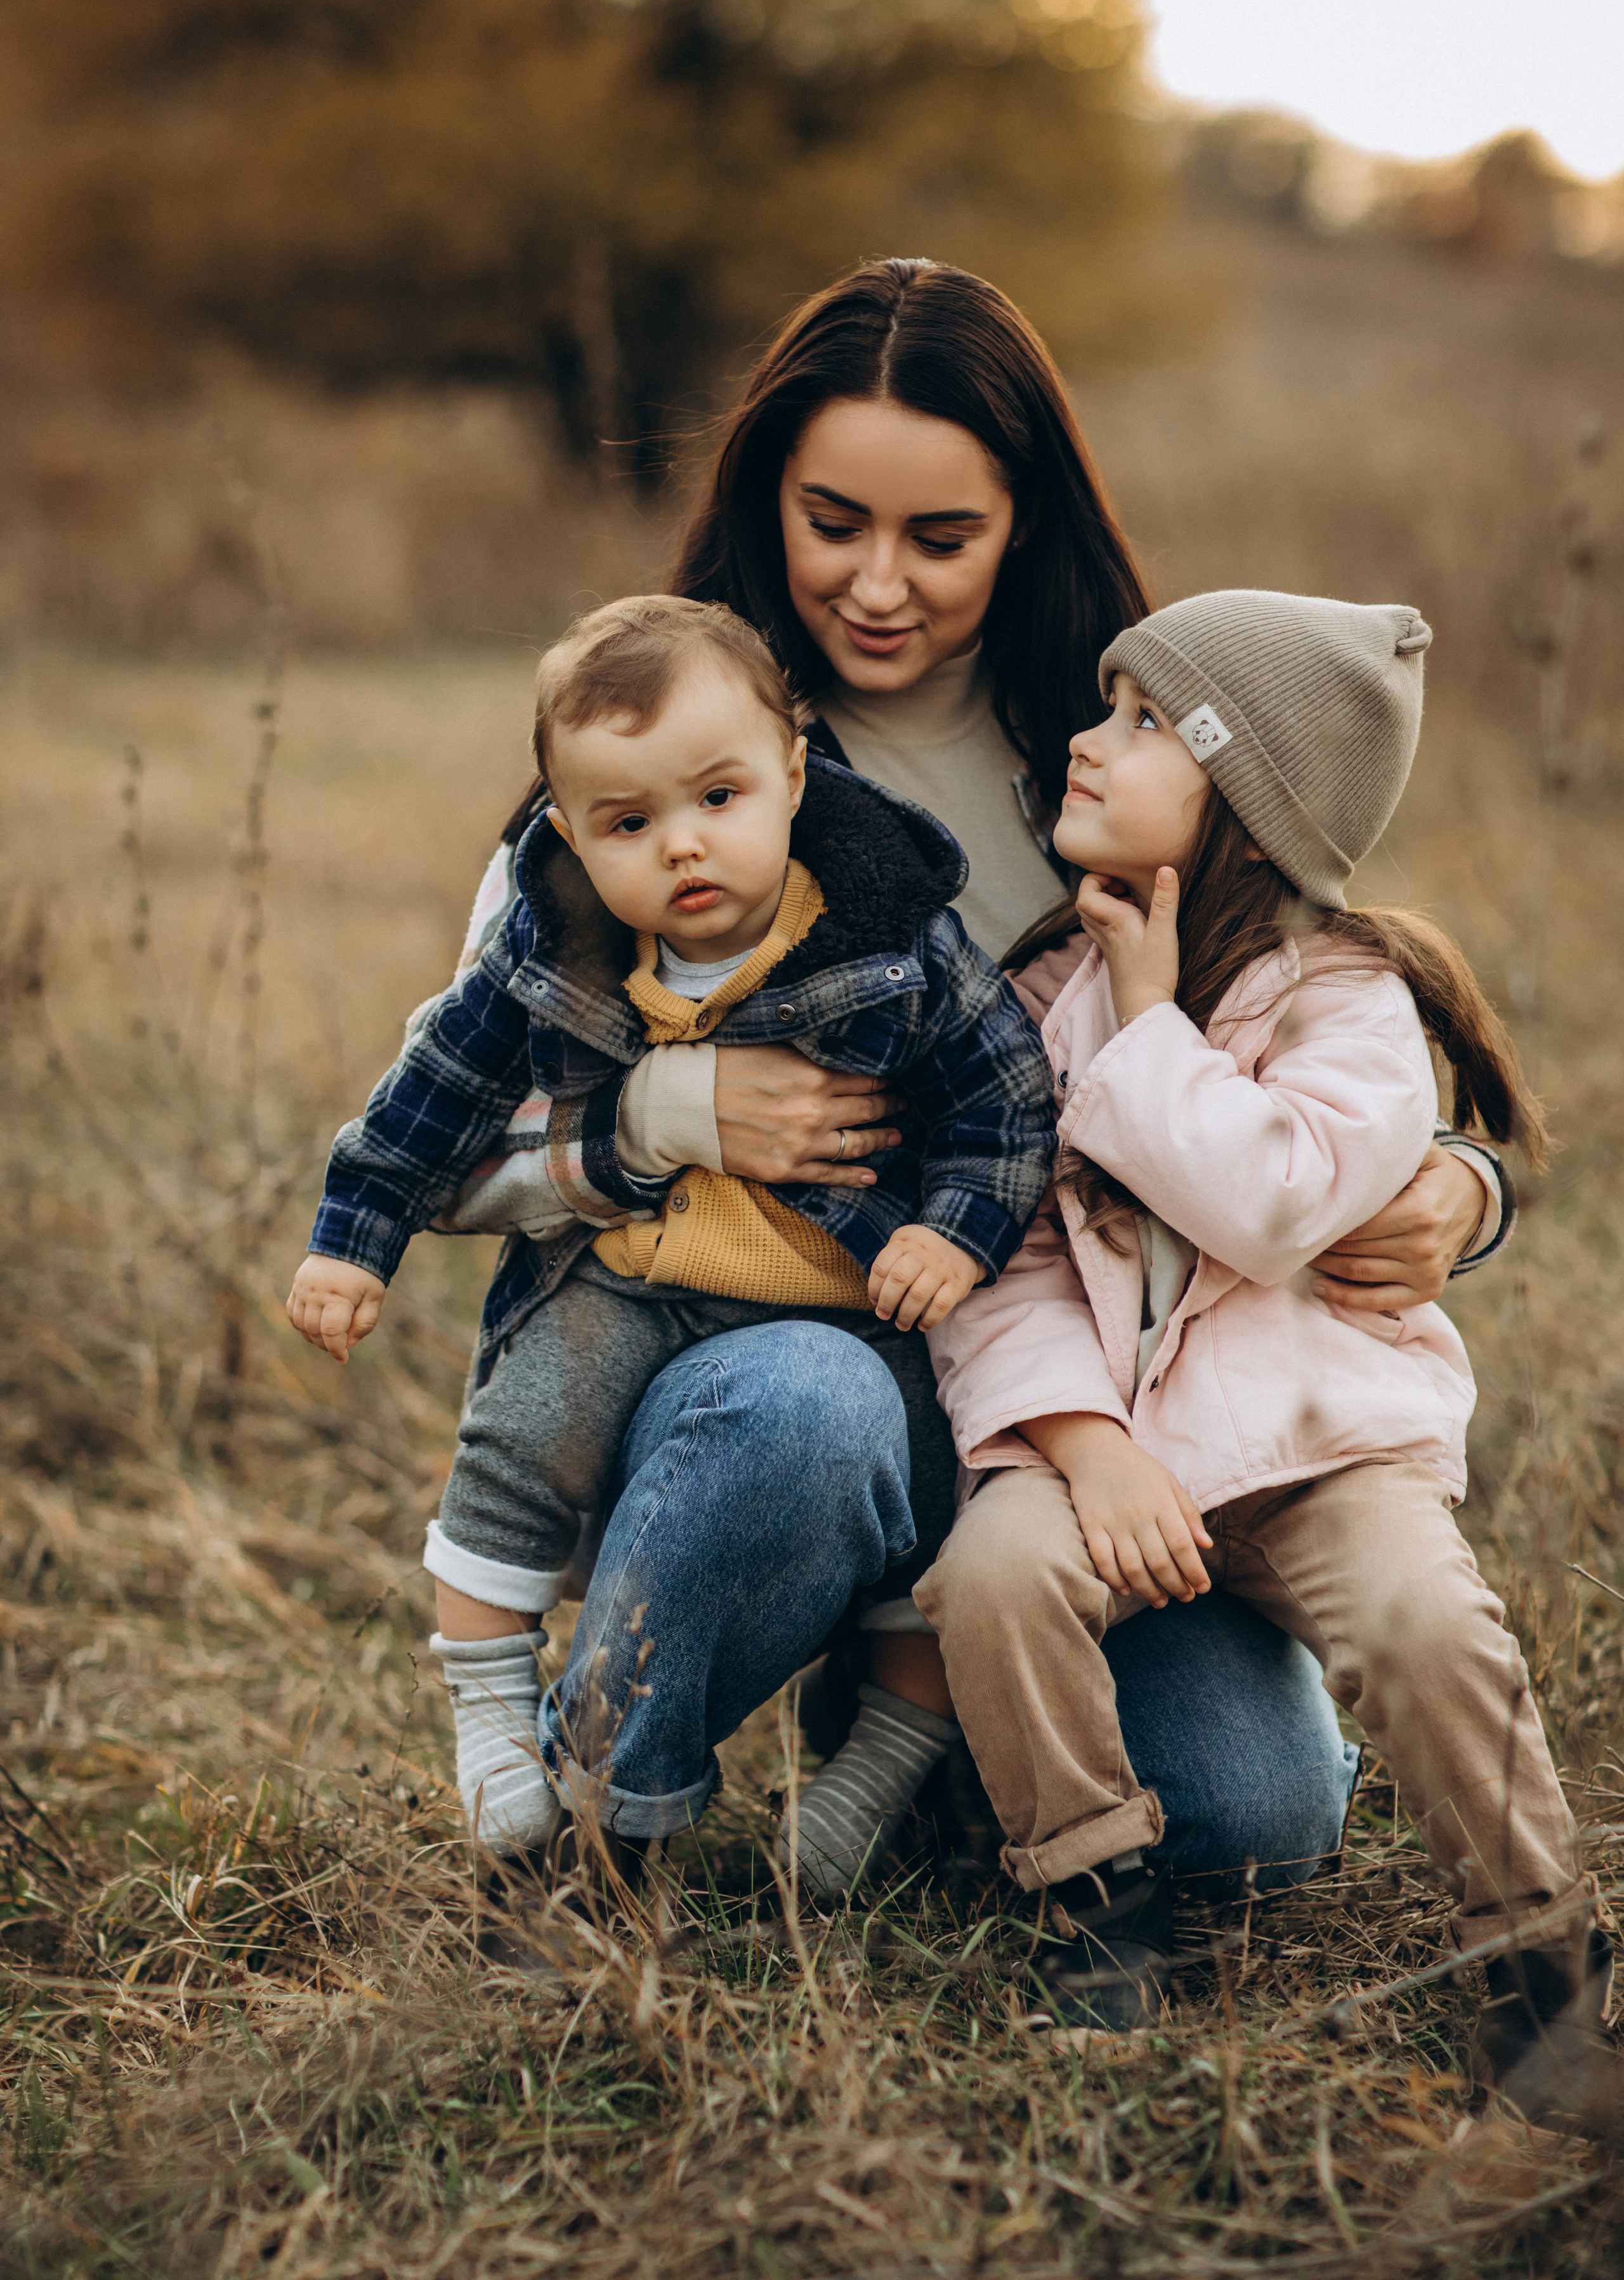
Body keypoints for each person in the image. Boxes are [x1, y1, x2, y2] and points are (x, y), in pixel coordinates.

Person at [410, 260, 1512, 1895]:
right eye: (830, 519)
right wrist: (659, 1116)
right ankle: (594, 1808)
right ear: (764, 500)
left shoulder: (1122, 749)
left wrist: (1455, 1196)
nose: (874, 584)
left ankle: (924, 1740)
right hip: (769, 1382)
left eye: (942, 538)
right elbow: (434, 1150)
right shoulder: (657, 767)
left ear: (1028, 523)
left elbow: (1315, 1011)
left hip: (1078, 1429)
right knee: (810, 1402)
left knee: (1255, 1821)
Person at [917, 591, 1611, 2100]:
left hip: (1315, 1448)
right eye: (1103, 710)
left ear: (1242, 799)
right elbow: (1007, 1263)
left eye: (1143, 723)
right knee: (993, 1573)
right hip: (1111, 1453)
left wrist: (1152, 1023)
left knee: (1427, 1623)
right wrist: (1082, 1448)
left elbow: (1275, 1202)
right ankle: (1092, 1897)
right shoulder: (1045, 992)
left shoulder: (1348, 1000)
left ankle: (1539, 1961)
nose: (1088, 746)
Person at [286, 593, 1056, 1857]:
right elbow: (433, 1098)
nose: (682, 849)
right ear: (567, 833)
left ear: (792, 774)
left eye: (719, 800)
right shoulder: (551, 942)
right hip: (625, 1275)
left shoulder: (888, 931)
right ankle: (491, 1712)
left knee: (940, 1500)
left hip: (852, 1297)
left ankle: (878, 1770)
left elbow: (1007, 1095)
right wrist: (350, 1237)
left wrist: (955, 1235)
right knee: (517, 1438)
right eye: (629, 824)